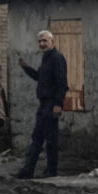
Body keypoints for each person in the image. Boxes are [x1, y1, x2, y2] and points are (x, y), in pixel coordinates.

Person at [16, 30, 69, 179]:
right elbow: (39, 77)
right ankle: (28, 171)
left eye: (45, 41)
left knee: (50, 138)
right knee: (37, 137)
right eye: (40, 41)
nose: (42, 44)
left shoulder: (57, 58)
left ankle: (51, 171)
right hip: (44, 103)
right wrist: (25, 67)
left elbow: (62, 84)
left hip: (51, 103)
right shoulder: (46, 59)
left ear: (52, 42)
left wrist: (58, 104)